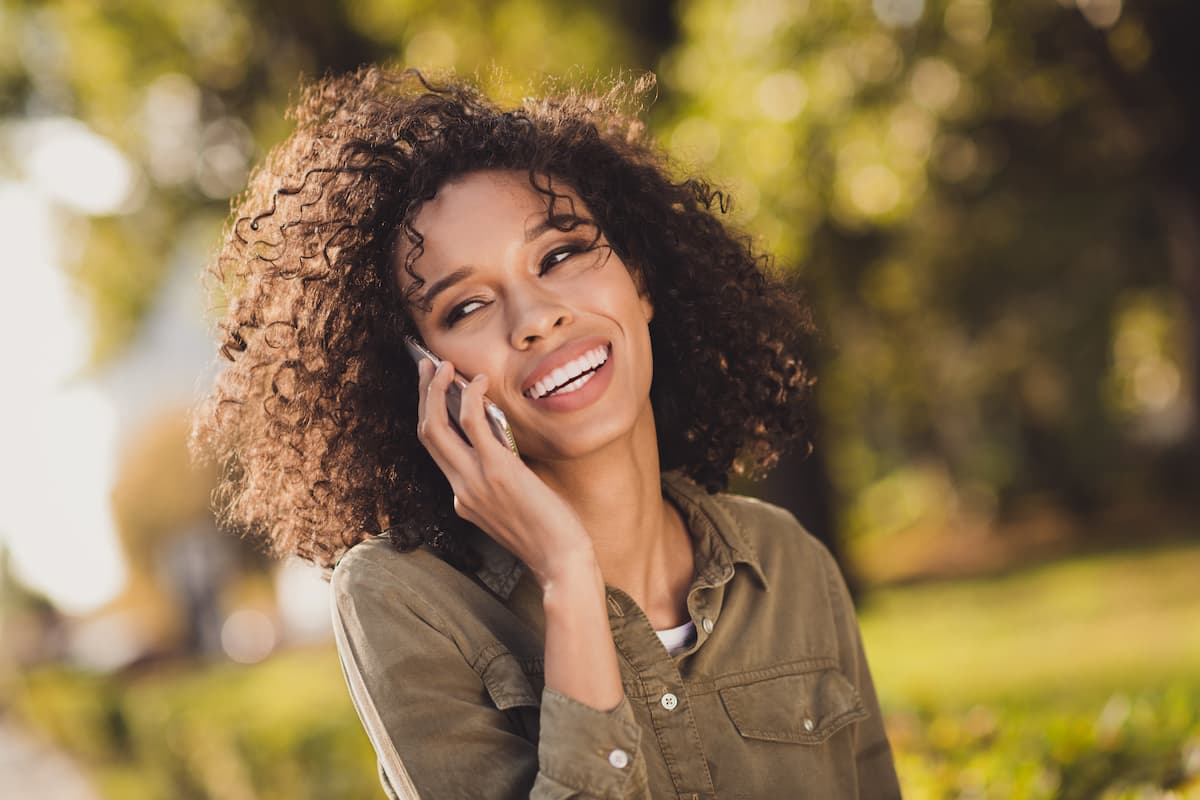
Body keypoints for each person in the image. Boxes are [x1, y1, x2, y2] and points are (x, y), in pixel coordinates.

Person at [194, 66, 901, 799]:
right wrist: (568, 571)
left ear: (640, 279)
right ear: (420, 373)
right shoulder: (402, 602)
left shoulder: (788, 563)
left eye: (560, 256)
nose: (536, 319)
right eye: (465, 307)